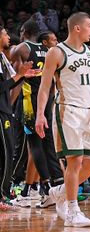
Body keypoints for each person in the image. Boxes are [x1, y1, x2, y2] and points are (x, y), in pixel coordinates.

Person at [35, 12, 90, 227]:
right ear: (77, 28)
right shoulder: (56, 52)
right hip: (67, 110)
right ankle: (72, 210)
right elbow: (44, 88)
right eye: (89, 26)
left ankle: (59, 192)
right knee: (75, 161)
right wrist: (40, 114)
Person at [10, 19, 63, 208]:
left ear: (23, 31)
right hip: (45, 99)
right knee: (44, 144)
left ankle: (46, 188)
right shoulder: (48, 50)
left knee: (32, 145)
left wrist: (9, 104)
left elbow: (16, 77)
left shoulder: (22, 48)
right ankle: (47, 186)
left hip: (29, 102)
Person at [1, 28, 38, 201]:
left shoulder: (2, 58)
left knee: (11, 151)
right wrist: (20, 76)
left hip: (7, 110)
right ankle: (5, 193)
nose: (8, 37)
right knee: (10, 152)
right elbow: (3, 87)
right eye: (5, 34)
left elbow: (13, 81)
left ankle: (8, 191)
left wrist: (23, 75)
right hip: (9, 111)